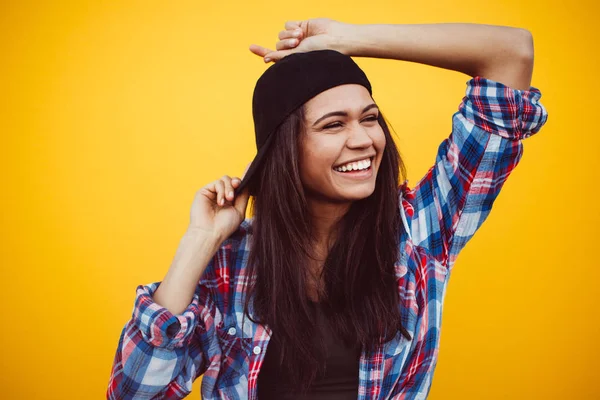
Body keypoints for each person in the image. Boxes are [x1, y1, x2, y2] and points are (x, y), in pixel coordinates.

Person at [107, 18, 548, 400]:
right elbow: (135, 393)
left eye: (370, 117)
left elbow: (511, 53)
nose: (363, 140)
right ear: (286, 151)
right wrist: (199, 241)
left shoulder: (421, 230)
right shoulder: (231, 262)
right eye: (333, 124)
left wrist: (350, 39)